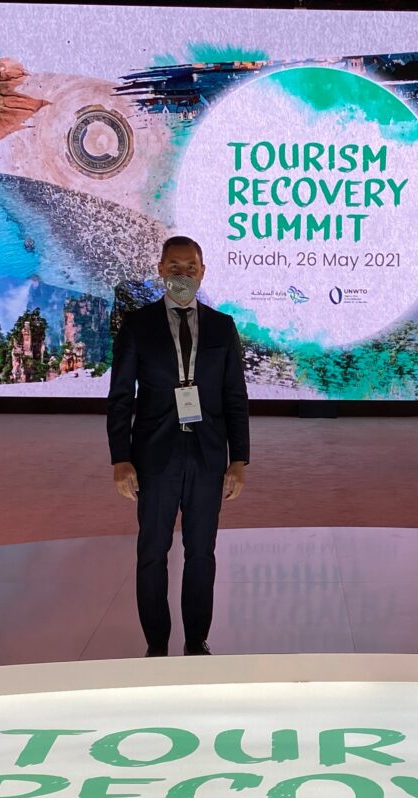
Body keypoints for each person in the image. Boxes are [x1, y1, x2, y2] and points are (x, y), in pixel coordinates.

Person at [106, 236, 250, 657]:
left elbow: (235, 396)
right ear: (161, 269)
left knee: (201, 552)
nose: (182, 274)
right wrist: (120, 458)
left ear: (202, 272)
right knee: (152, 552)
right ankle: (156, 644)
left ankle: (196, 641)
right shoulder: (138, 325)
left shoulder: (223, 327)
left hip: (208, 457)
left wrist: (239, 459)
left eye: (191, 267)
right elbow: (121, 397)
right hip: (154, 457)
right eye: (174, 266)